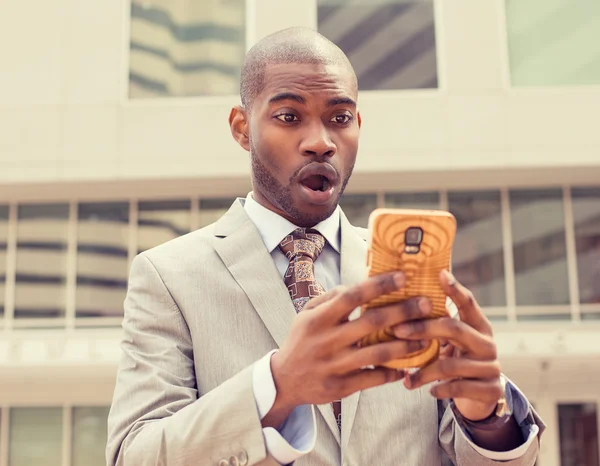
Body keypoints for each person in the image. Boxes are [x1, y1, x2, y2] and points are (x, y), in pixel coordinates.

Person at [106, 27, 544, 466]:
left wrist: (489, 418)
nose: (321, 141)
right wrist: (277, 387)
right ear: (242, 129)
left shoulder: (414, 273)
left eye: (339, 118)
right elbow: (134, 455)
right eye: (289, 117)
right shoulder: (168, 276)